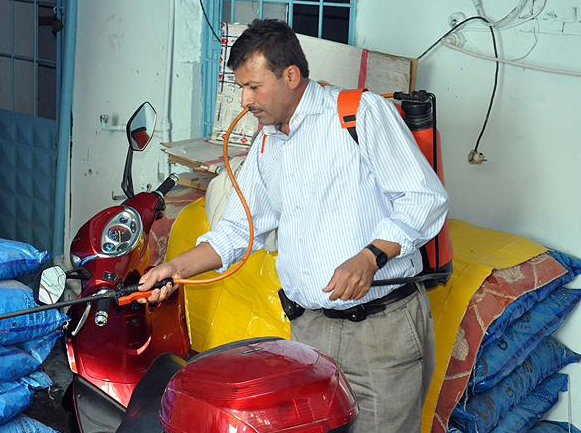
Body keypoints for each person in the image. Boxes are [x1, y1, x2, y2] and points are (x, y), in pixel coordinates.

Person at [138, 18, 448, 432]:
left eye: (253, 86)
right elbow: (236, 232)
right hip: (310, 331)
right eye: (241, 88)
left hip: (380, 333)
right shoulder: (269, 143)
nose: (245, 100)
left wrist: (371, 256)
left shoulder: (358, 115)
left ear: (291, 75)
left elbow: (425, 198)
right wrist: (174, 269)